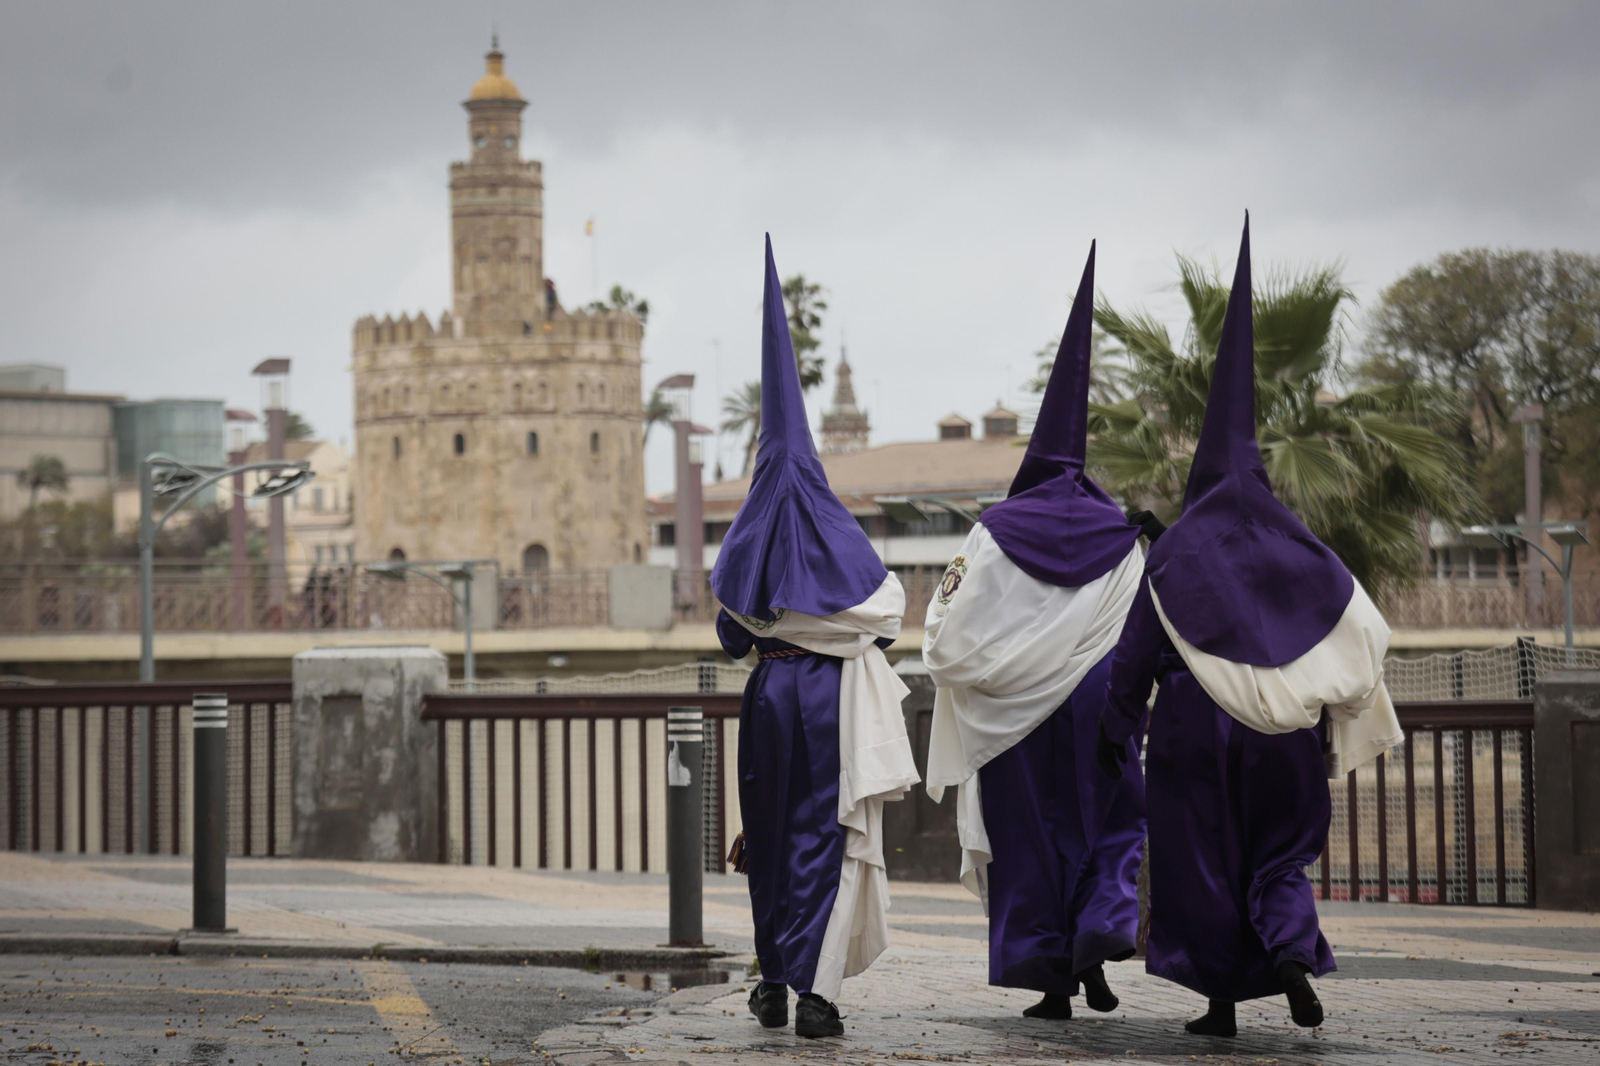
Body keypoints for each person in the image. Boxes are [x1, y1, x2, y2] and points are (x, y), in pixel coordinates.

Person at [1096, 215, 1402, 1037]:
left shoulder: (1177, 552)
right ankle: (1294, 952)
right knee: (1276, 859)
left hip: (1196, 729)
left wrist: (1117, 727)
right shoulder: (1303, 547)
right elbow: (1356, 632)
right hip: (1284, 736)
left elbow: (1136, 655)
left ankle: (1221, 1004)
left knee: (1201, 868)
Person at [921, 242, 1148, 1021]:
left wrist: (990, 680)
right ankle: (1102, 930)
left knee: (1027, 845)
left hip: (1015, 719)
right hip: (1097, 701)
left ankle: (1051, 982)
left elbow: (946, 639)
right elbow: (1138, 625)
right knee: (1107, 821)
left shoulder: (993, 533)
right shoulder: (1124, 535)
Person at [713, 236, 920, 1040]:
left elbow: (732, 636)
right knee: (822, 843)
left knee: (765, 837)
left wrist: (775, 622)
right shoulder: (843, 533)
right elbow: (887, 622)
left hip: (768, 696)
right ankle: (817, 994)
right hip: (831, 700)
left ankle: (770, 980)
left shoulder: (750, 531)